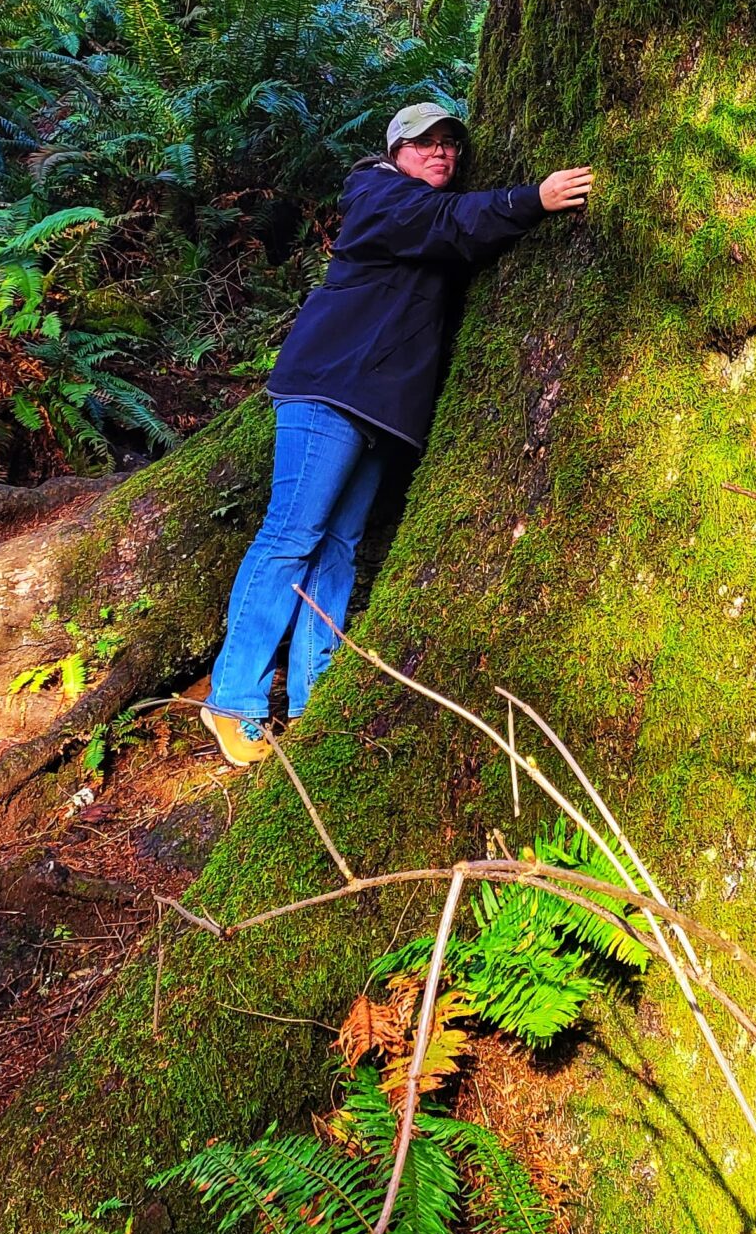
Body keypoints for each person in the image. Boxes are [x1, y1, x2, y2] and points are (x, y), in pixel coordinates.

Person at [200, 101, 593, 763]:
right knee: (291, 536)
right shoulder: (380, 195)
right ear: (395, 151)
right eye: (425, 143)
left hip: (379, 411)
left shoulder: (430, 212)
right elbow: (444, 222)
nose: (441, 153)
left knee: (338, 548)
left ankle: (311, 697)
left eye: (449, 145)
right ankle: (234, 695)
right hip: (329, 391)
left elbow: (458, 232)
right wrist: (535, 198)